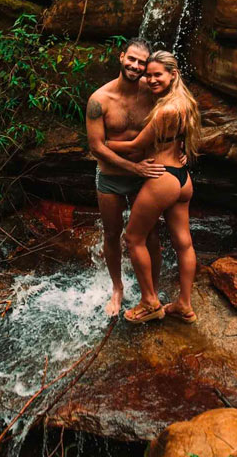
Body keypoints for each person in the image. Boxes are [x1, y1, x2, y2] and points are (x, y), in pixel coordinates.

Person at [105, 50, 200, 325]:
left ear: (173, 74)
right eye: (149, 74)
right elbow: (182, 141)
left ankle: (149, 302)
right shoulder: (185, 101)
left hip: (163, 177)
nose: (151, 79)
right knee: (184, 242)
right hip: (182, 179)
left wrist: (106, 144)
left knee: (133, 238)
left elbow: (136, 146)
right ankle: (184, 304)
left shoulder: (166, 110)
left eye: (157, 74)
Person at [85, 38, 166, 317]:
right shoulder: (99, 100)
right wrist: (134, 168)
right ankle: (117, 289)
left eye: (141, 62)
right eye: (131, 59)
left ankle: (152, 291)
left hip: (146, 174)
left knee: (151, 234)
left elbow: (180, 112)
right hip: (112, 177)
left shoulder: (152, 91)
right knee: (111, 234)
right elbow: (96, 147)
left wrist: (181, 151)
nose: (135, 65)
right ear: (121, 57)